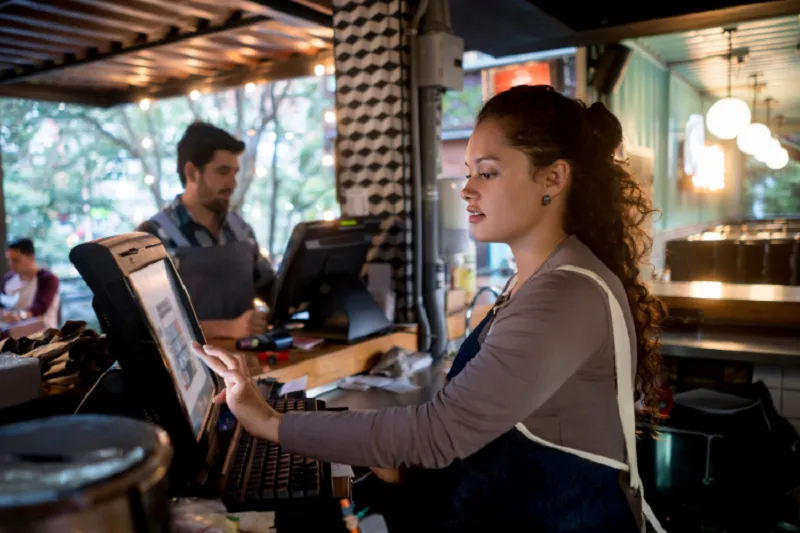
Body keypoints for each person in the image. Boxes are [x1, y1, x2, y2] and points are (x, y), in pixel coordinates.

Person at [192, 85, 667, 532]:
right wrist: (394, 459)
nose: (467, 190)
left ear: (553, 177)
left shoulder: (563, 295)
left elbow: (440, 433)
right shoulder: (539, 278)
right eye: (468, 173)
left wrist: (271, 423)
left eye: (488, 171)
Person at [138, 122, 275, 340]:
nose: (232, 183)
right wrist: (228, 329)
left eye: (234, 173)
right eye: (222, 172)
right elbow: (147, 322)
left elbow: (270, 289)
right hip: (188, 371)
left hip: (249, 367)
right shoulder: (152, 237)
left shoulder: (242, 230)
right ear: (192, 172)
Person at [1, 238, 60, 329]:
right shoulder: (8, 279)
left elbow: (39, 307)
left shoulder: (48, 279)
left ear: (31, 257)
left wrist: (19, 315)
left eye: (16, 260)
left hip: (43, 334)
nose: (11, 264)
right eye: (9, 260)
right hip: (13, 334)